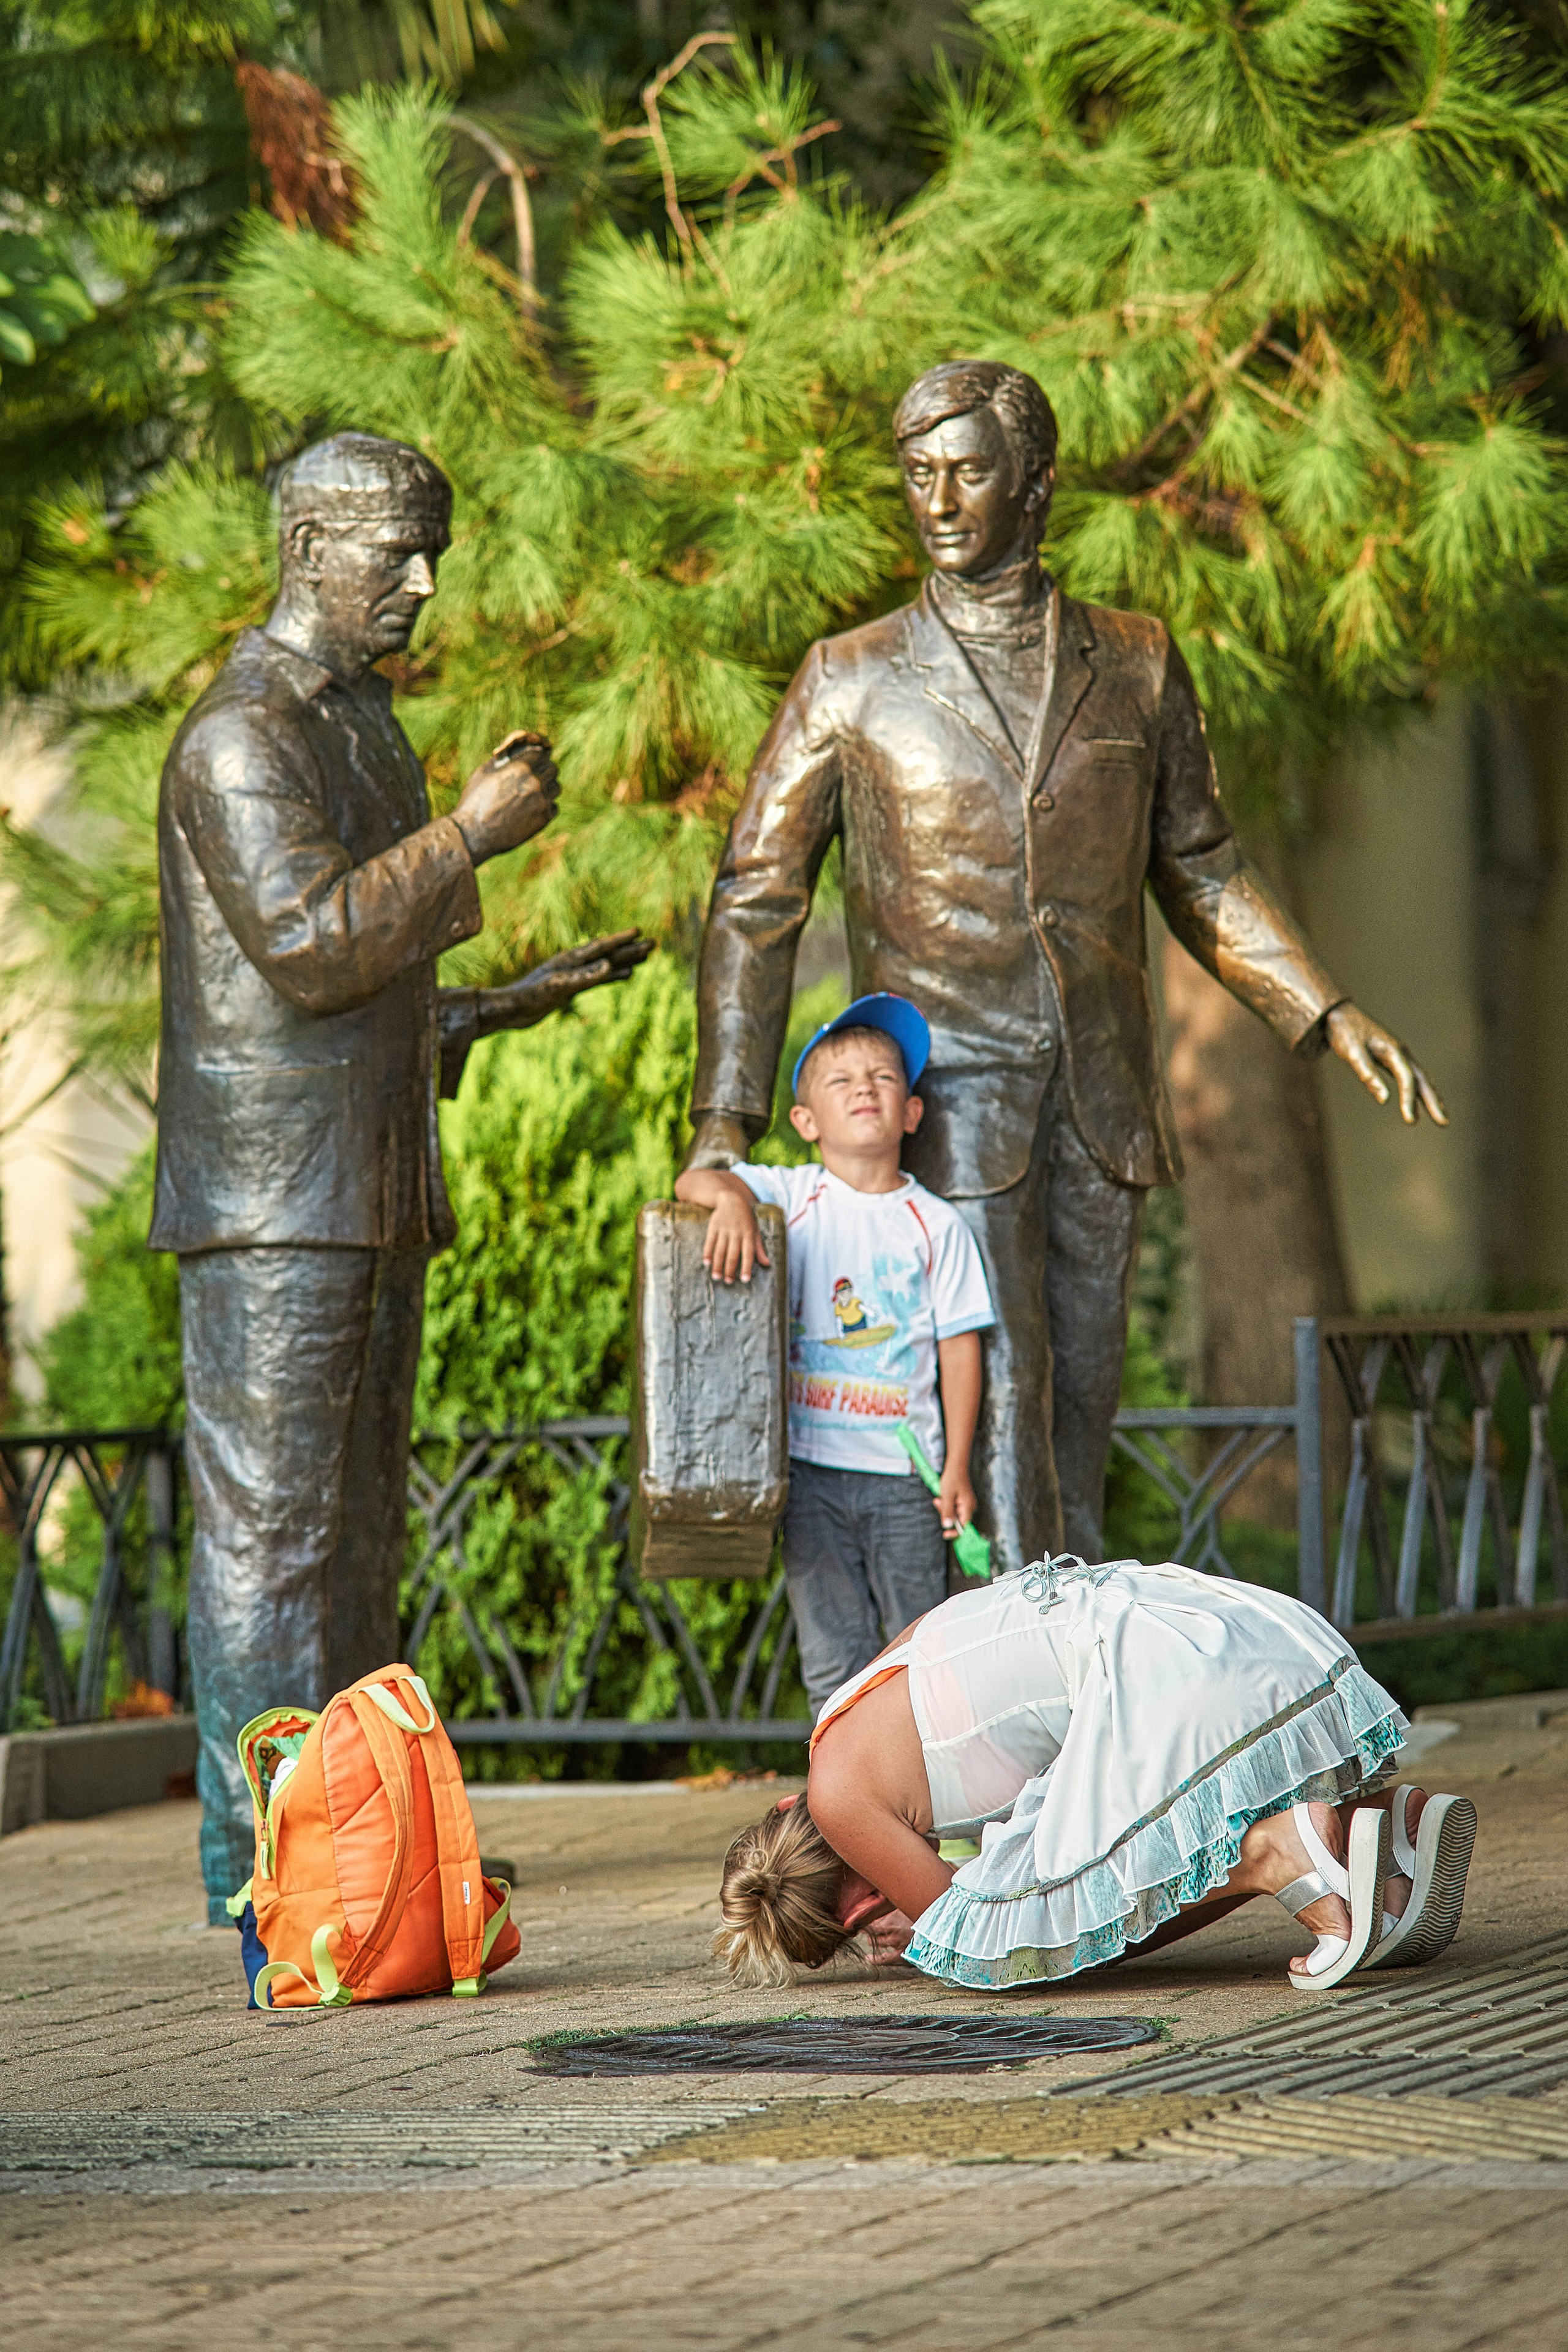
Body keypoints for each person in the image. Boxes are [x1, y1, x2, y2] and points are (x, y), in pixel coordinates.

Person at [684, 360, 1446, 1570]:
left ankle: (1066, 1681)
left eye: (967, 473)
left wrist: (1323, 1007)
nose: (935, 501)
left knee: (1077, 1411)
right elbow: (755, 898)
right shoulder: (850, 676)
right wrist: (722, 1125)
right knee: (998, 1391)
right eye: (916, 475)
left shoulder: (1133, 661)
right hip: (945, 1097)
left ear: (1035, 487)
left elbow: (1197, 862)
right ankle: (1014, 1687)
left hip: (1097, 1097)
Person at [153, 431, 651, 1917]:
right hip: (270, 1209)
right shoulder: (237, 736)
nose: (425, 583)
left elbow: (372, 984)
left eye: (432, 549)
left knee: (355, 1541)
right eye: (398, 553)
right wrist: (475, 833)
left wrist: (508, 1000)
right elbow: (311, 947)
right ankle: (264, 1871)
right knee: (271, 1539)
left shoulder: (363, 728)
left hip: (364, 1184)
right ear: (309, 548)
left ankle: (360, 1850)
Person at [713, 1560, 1477, 1991]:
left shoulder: (840, 1797)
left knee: (1005, 1951)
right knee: (1088, 1857)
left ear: (861, 1908)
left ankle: (1273, 1856)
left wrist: (927, 1932)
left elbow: (1002, 1934)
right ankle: (1374, 1836)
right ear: (783, 1806)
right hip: (1224, 1627)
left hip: (1157, 1681)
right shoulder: (861, 1700)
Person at [675, 993, 995, 1715]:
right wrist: (729, 1201)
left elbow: (959, 1349)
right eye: (842, 1081)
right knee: (832, 1661)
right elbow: (691, 1180)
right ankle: (841, 1819)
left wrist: (955, 1467)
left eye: (883, 1078)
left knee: (920, 1656)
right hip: (811, 1474)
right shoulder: (788, 1197)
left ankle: (932, 1818)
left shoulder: (935, 1226)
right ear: (806, 1122)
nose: (864, 1090)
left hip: (903, 1480)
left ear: (911, 1113)